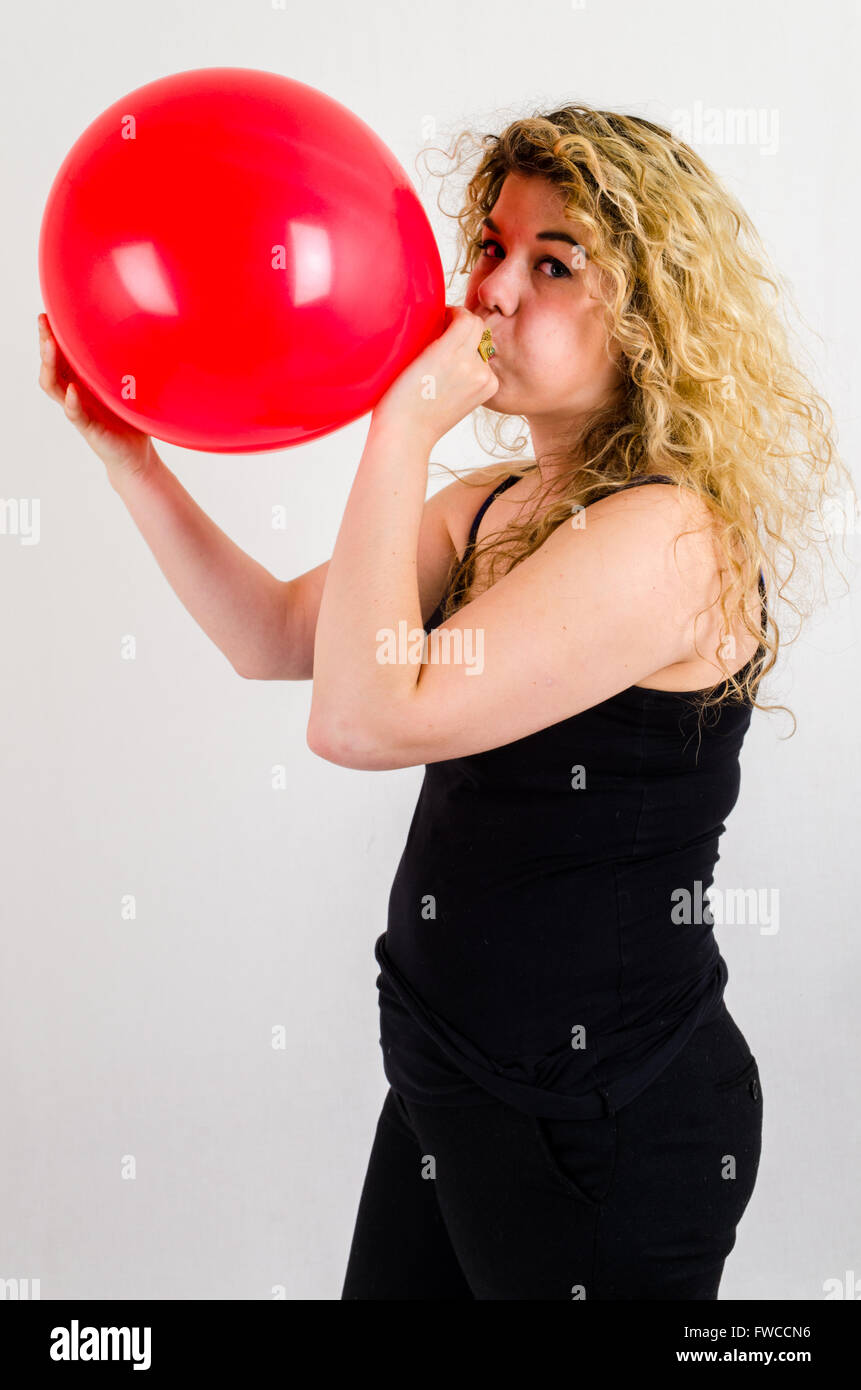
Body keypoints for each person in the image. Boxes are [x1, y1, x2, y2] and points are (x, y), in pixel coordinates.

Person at [38, 103, 849, 1300]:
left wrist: (401, 423)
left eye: (553, 263)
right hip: (447, 1078)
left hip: (601, 1126)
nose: (493, 290)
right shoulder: (493, 503)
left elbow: (367, 718)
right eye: (491, 245)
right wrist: (132, 461)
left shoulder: (669, 537)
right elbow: (277, 639)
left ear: (652, 312)